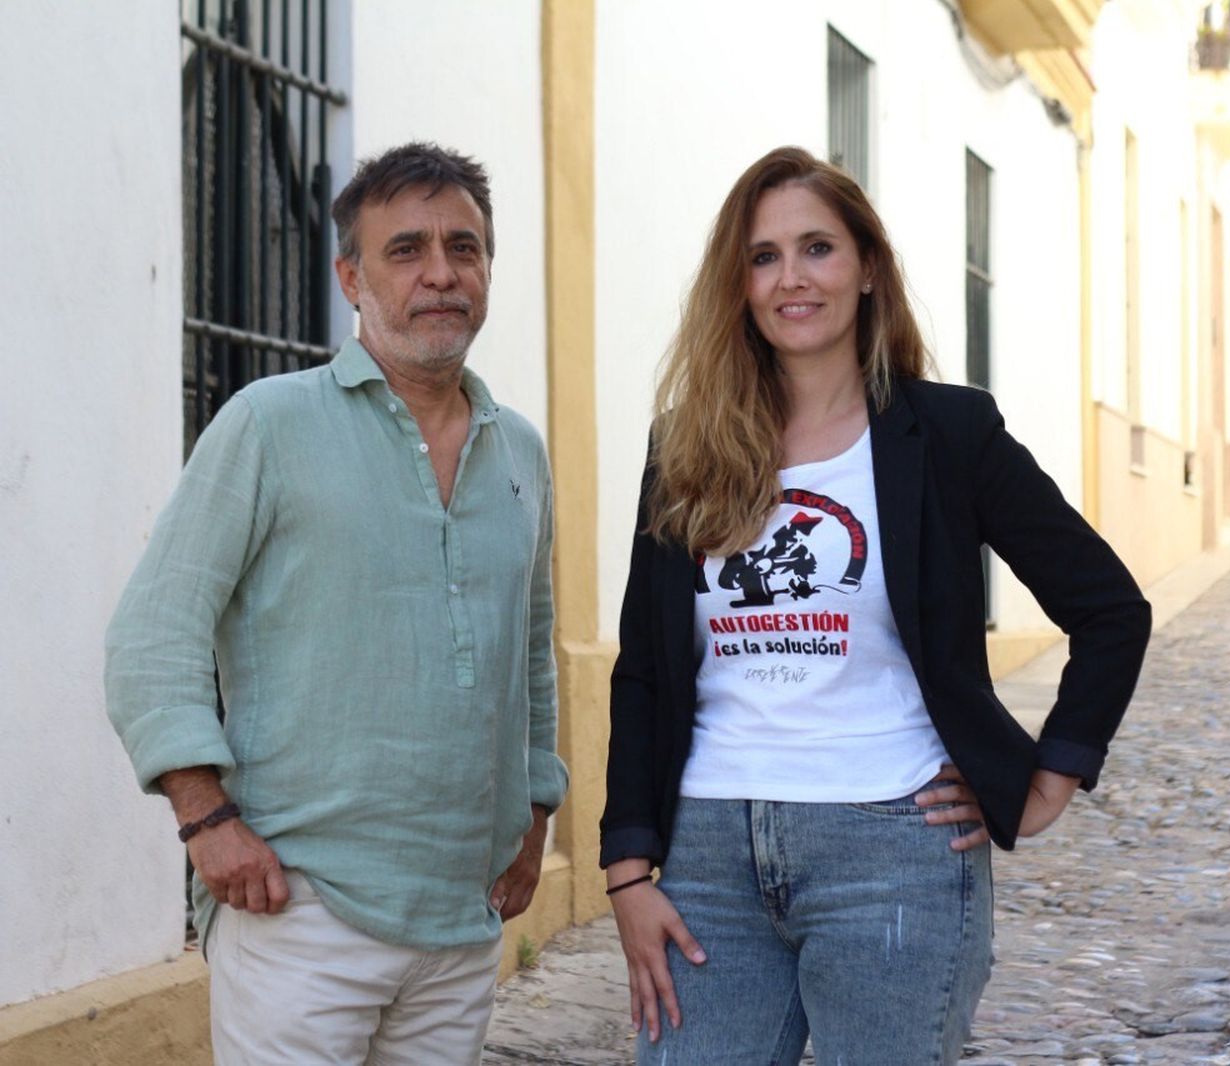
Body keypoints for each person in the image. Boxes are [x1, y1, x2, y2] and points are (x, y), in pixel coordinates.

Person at [600, 146, 1151, 1065]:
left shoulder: (947, 433)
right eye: (763, 256)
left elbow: (1108, 608)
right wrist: (626, 870)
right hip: (707, 859)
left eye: (817, 248)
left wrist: (1048, 778)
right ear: (738, 286)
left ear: (866, 269)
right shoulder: (685, 447)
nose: (791, 278)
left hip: (893, 850)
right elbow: (646, 671)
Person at [105, 142, 567, 1065]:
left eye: (463, 247)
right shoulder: (269, 425)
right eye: (406, 251)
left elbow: (531, 652)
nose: (441, 273)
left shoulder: (519, 450)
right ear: (350, 276)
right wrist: (206, 822)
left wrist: (535, 817)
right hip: (298, 909)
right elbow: (153, 634)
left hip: (462, 917)